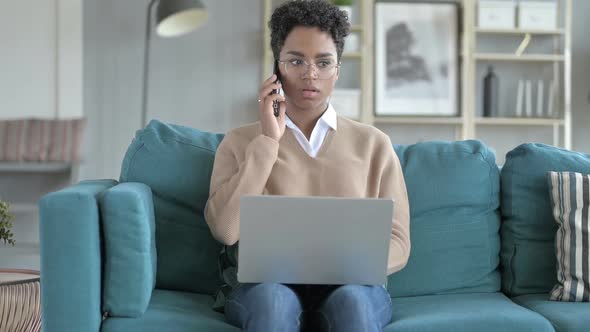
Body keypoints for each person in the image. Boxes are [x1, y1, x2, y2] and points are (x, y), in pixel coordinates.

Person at [204, 1, 410, 331]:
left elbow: (399, 241)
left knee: (354, 304)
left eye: (324, 62)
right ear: (277, 67)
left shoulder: (374, 145)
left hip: (353, 287)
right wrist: (269, 143)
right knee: (273, 303)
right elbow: (225, 230)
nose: (310, 74)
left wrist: (344, 266)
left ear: (338, 69)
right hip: (265, 288)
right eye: (296, 60)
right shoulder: (240, 142)